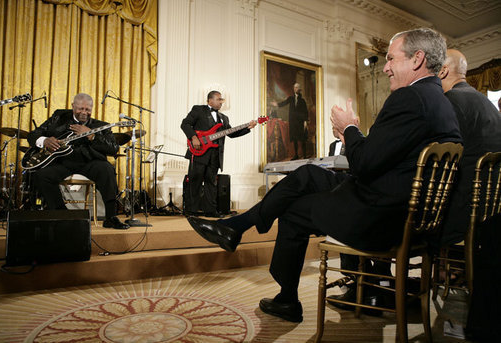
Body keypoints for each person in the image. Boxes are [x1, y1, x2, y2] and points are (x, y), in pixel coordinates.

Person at [186, 27, 462, 323]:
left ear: (417, 59)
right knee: (307, 174)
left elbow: (364, 164)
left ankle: (286, 298)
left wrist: (349, 130)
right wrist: (352, 134)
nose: (386, 67)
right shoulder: (439, 101)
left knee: (293, 211)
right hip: (407, 213)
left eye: (391, 59)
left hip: (381, 219)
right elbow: (387, 157)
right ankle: (237, 226)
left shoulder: (409, 98)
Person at [27, 93, 129, 229]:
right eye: (80, 108)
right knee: (41, 175)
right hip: (62, 163)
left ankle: (110, 217)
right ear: (73, 106)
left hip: (89, 162)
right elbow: (33, 135)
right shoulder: (59, 117)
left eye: (87, 109)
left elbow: (113, 148)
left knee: (107, 169)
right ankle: (62, 214)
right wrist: (45, 140)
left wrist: (92, 135)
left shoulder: (101, 126)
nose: (84, 112)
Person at [437, 49, 501, 246]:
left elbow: (440, 160)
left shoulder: (450, 101)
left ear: (442, 71)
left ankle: (378, 274)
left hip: (461, 214)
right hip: (490, 209)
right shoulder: (486, 103)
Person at [181, 91, 257, 217]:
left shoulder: (224, 118)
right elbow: (185, 124)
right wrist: (193, 137)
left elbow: (231, 133)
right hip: (199, 152)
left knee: (211, 183)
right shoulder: (198, 110)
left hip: (215, 155)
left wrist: (247, 127)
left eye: (222, 100)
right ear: (210, 100)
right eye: (219, 99)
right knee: (195, 181)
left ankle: (210, 211)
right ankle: (191, 211)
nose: (221, 102)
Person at [272, 83, 309, 159]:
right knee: (294, 138)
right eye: (295, 87)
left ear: (300, 89)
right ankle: (296, 155)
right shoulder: (291, 98)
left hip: (300, 122)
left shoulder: (302, 100)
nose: (296, 89)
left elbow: (305, 111)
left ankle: (305, 155)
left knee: (302, 138)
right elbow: (284, 103)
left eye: (297, 87)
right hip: (293, 122)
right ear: (293, 89)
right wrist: (277, 104)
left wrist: (305, 121)